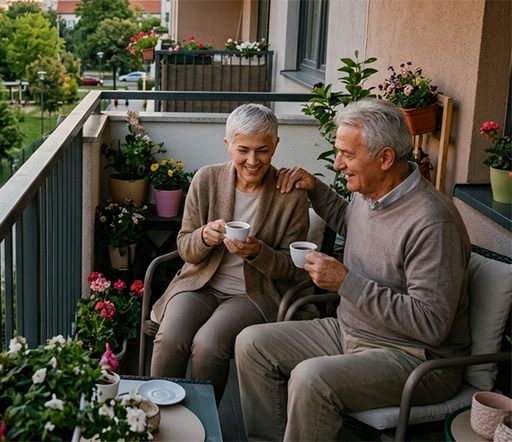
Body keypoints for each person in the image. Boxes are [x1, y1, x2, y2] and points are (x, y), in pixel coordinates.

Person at [235, 99, 471, 441]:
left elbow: (431, 324)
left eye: (347, 154)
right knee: (252, 343)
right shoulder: (372, 192)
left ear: (385, 158)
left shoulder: (432, 222)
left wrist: (347, 283)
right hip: (353, 331)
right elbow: (353, 223)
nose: (339, 163)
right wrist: (315, 189)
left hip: (413, 358)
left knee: (310, 379)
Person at [149, 103, 310, 402]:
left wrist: (258, 252)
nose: (252, 160)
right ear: (228, 145)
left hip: (252, 294)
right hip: (200, 283)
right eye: (243, 149)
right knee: (170, 338)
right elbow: (185, 248)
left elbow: (292, 268)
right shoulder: (206, 180)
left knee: (209, 345)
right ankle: (158, 413)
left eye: (262, 150)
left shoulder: (291, 196)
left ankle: (201, 424)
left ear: (275, 145)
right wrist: (204, 238)